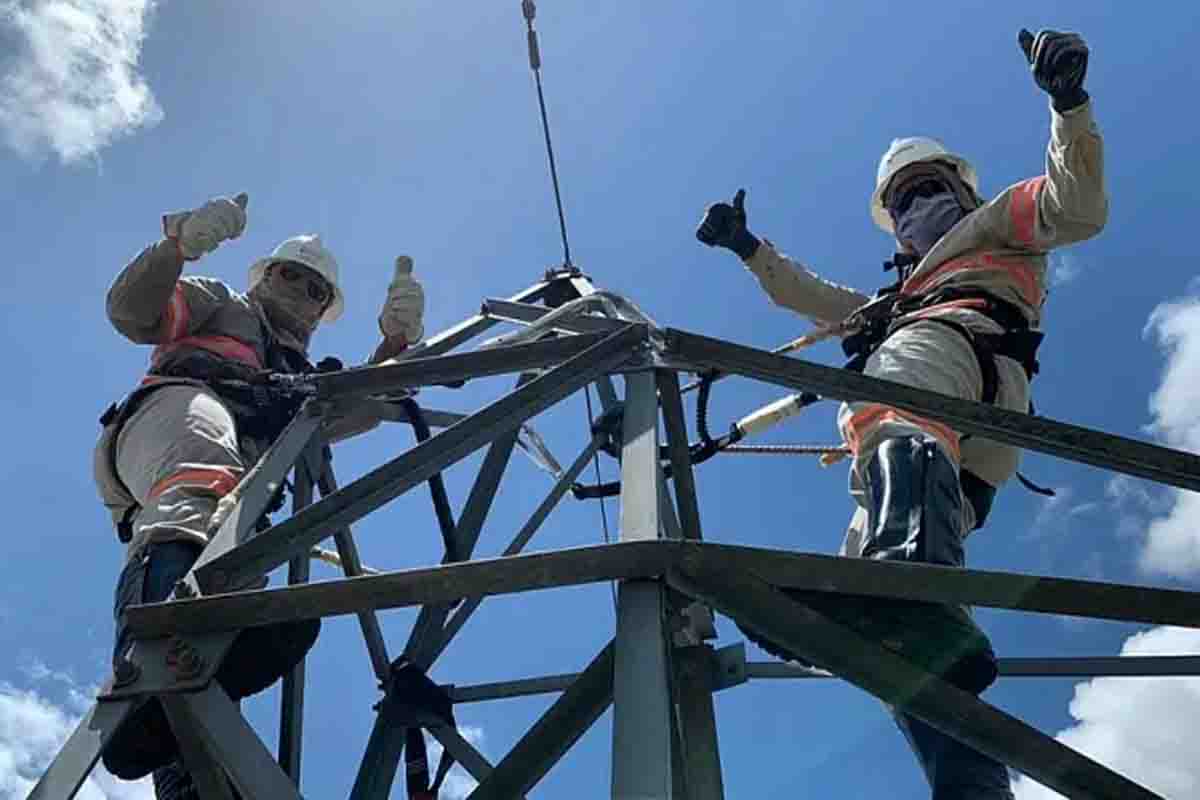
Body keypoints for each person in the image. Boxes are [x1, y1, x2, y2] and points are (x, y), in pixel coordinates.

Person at [696, 28, 1106, 798]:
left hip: (954, 355)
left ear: (960, 188)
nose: (914, 205)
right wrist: (750, 247)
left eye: (926, 189)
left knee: (885, 404)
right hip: (965, 446)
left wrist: (1068, 106)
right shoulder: (895, 298)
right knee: (894, 642)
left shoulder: (996, 225)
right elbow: (809, 297)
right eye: (900, 199)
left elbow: (1075, 204)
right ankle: (971, 779)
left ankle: (905, 595)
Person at [93, 193, 427, 797]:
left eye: (315, 289)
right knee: (204, 463)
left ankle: (193, 769)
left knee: (224, 602)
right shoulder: (220, 303)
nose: (300, 291)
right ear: (265, 275)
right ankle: (145, 657)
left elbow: (359, 409)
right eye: (290, 275)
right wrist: (177, 248)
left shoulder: (298, 379)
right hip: (170, 422)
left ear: (324, 309)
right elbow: (131, 313)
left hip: (225, 495)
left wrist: (394, 352)